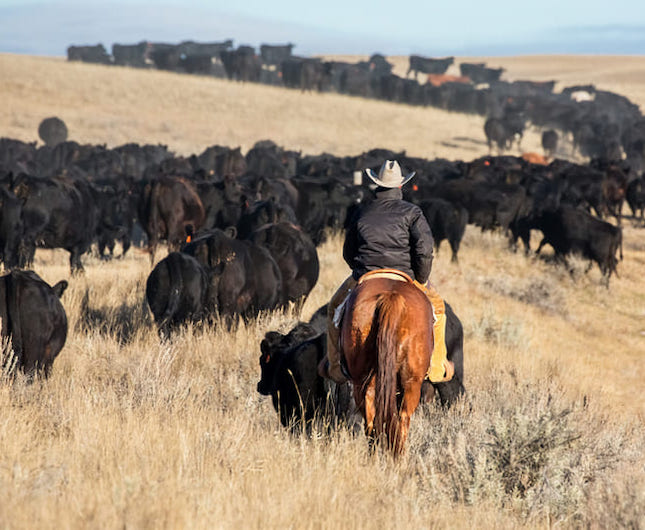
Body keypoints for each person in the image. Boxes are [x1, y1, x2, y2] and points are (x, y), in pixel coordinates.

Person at [318, 160, 454, 385]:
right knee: (438, 308)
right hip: (405, 275)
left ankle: (335, 368)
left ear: (377, 185)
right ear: (400, 187)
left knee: (334, 308)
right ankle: (437, 367)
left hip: (365, 276)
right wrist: (420, 278)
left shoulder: (362, 211)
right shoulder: (413, 212)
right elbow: (424, 251)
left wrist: (360, 272)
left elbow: (348, 251)